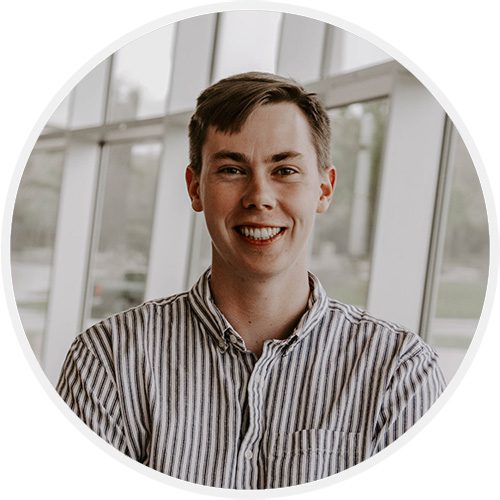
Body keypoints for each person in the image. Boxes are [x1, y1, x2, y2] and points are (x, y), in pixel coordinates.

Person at [56, 71, 446, 489]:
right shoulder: (108, 362)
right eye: (231, 169)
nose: (259, 196)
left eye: (285, 170)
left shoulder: (399, 372)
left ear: (324, 189)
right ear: (195, 188)